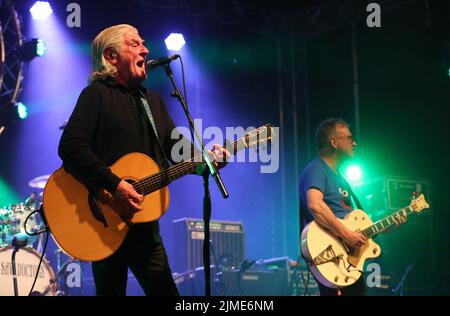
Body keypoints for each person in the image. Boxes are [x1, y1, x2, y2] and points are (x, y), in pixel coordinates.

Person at [58, 24, 228, 296]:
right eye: (135, 44)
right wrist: (115, 185)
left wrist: (208, 161)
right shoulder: (96, 95)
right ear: (111, 56)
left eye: (143, 43)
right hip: (104, 221)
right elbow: (70, 147)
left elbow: (177, 151)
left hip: (145, 228)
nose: (146, 49)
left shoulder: (153, 101)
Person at [299, 118, 406, 296]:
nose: (354, 142)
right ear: (334, 142)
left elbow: (360, 226)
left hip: (349, 260)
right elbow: (315, 205)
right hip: (331, 255)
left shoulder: (341, 179)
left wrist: (390, 224)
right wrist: (346, 234)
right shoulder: (316, 170)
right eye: (348, 138)